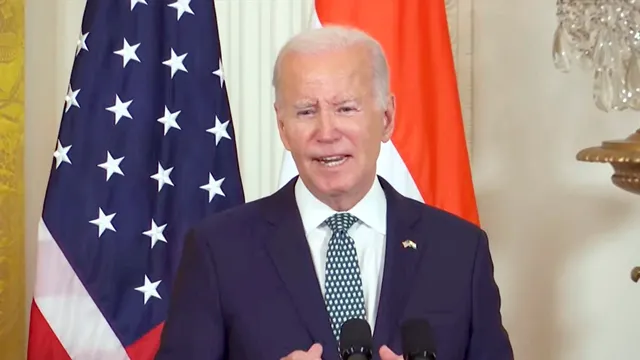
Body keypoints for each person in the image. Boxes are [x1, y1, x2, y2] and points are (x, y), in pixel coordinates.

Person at [155, 25, 513, 360]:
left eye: (345, 108)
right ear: (283, 127)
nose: (326, 132)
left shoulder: (460, 251)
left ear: (387, 118)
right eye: (306, 111)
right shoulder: (217, 250)